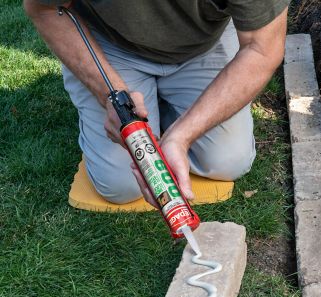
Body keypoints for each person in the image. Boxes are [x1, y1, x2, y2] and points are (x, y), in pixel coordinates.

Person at [24, 0, 289, 205]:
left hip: (203, 43)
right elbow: (44, 8)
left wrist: (181, 137)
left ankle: (165, 112)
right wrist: (111, 94)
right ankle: (143, 98)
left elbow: (262, 48)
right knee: (122, 184)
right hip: (109, 41)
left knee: (228, 161)